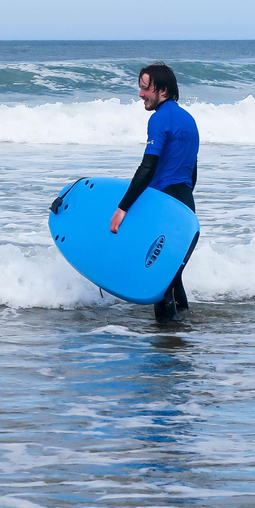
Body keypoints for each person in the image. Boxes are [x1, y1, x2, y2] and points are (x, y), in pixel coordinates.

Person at [110, 63, 199, 321]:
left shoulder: (159, 118)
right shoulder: (189, 120)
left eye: (146, 88)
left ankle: (166, 342)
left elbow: (147, 166)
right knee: (172, 274)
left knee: (159, 279)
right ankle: (182, 332)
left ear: (163, 89)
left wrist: (122, 207)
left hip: (164, 205)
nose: (141, 94)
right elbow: (192, 173)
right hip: (185, 206)